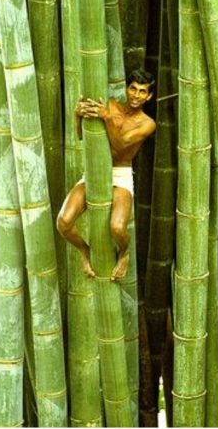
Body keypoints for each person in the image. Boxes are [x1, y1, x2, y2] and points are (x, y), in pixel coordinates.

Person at [56, 69, 157, 280]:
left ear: (149, 96)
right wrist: (78, 116)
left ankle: (124, 252)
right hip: (94, 169)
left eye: (142, 91)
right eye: (133, 89)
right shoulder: (110, 105)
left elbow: (120, 147)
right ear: (127, 88)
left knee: (118, 228)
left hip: (120, 174)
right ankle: (85, 251)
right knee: (63, 223)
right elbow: (82, 136)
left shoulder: (147, 124)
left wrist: (106, 118)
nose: (136, 95)